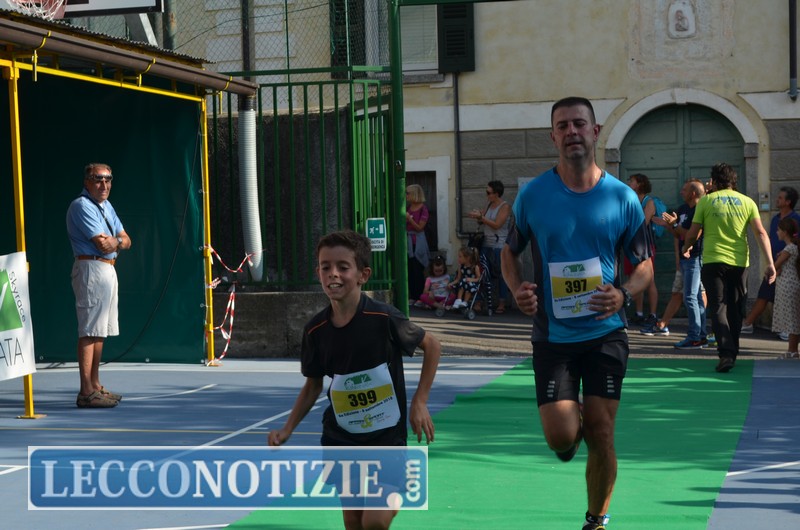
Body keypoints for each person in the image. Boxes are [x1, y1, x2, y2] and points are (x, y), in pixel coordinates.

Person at [501, 97, 653, 530]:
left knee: (602, 432)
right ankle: (571, 428)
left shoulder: (622, 197)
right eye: (563, 125)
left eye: (579, 124)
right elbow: (509, 253)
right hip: (553, 337)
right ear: (553, 136)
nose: (572, 132)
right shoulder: (533, 195)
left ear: (595, 131)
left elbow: (644, 264)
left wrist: (624, 293)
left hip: (606, 333)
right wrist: (517, 289)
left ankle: (596, 519)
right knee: (562, 438)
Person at [268, 230, 441, 530]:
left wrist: (420, 402)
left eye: (343, 267)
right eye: (325, 267)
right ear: (318, 273)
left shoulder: (384, 318)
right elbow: (313, 385)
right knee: (353, 521)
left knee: (374, 520)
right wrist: (287, 428)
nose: (333, 274)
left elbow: (432, 346)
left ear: (363, 275)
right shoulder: (315, 331)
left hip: (385, 437)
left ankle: (393, 496)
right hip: (341, 437)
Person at [682, 163, 776, 373]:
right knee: (735, 307)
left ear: (714, 181)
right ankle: (732, 351)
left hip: (713, 261)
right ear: (734, 181)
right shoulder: (747, 202)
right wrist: (770, 263)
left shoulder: (706, 201)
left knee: (718, 307)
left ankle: (725, 353)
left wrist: (686, 248)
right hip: (739, 263)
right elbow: (761, 233)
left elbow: (693, 232)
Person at [66, 163, 131, 408]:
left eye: (108, 179)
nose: (104, 184)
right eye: (98, 179)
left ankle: (95, 386)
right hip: (91, 268)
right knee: (89, 331)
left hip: (107, 269)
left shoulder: (106, 206)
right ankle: (85, 393)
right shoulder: (81, 206)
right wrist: (117, 241)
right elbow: (102, 244)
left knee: (100, 330)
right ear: (87, 182)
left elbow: (127, 240)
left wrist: (117, 241)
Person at [741, 187, 800, 337]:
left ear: (788, 202)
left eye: (780, 198)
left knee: (786, 301)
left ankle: (786, 330)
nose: (777, 200)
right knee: (766, 294)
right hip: (775, 265)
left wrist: (782, 262)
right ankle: (748, 324)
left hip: (787, 267)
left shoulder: (796, 219)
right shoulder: (775, 219)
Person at [657, 179, 708, 349]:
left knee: (690, 297)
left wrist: (675, 224)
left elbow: (689, 235)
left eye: (684, 190)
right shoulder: (682, 209)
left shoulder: (699, 210)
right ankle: (701, 335)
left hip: (695, 257)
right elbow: (678, 234)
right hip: (685, 258)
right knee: (696, 298)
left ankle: (694, 336)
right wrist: (669, 226)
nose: (681, 192)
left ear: (693, 193)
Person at [468, 180, 513, 313]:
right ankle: (479, 301)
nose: (486, 195)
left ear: (496, 194)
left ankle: (502, 303)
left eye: (488, 192)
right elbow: (484, 221)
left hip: (499, 245)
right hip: (486, 243)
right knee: (481, 272)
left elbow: (497, 225)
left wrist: (481, 217)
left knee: (501, 275)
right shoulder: (489, 204)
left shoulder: (505, 207)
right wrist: (478, 217)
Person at [626, 173, 659, 327]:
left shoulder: (648, 202)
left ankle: (653, 315)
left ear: (639, 184)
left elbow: (643, 222)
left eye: (631, 181)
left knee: (649, 280)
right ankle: (638, 313)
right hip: (632, 245)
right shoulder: (631, 200)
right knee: (635, 277)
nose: (629, 183)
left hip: (645, 245)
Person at [771, 218, 800, 358]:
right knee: (792, 317)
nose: (777, 232)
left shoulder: (789, 248)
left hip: (788, 285)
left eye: (779, 230)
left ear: (785, 232)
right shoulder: (792, 247)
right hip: (790, 284)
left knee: (792, 319)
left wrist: (771, 269)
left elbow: (775, 266)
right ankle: (792, 350)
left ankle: (793, 350)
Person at [405, 184, 430, 307]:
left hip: (417, 243)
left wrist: (409, 219)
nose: (406, 195)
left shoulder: (423, 209)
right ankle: (412, 296)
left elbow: (420, 228)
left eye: (408, 193)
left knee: (417, 270)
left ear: (414, 194)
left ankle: (420, 296)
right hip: (408, 242)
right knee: (409, 270)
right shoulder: (408, 207)